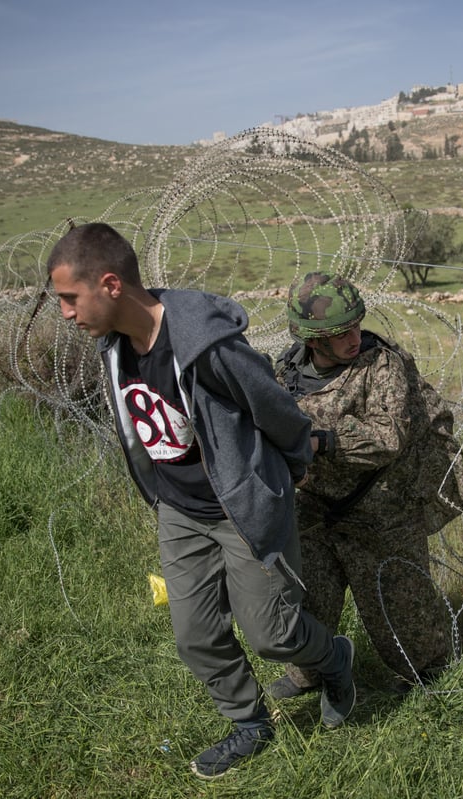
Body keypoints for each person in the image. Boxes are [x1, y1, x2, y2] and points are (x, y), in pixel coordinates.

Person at [45, 223, 355, 780]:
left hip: (244, 512)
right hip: (179, 510)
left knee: (272, 634)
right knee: (195, 636)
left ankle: (335, 658)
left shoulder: (205, 347)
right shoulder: (113, 347)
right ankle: (249, 723)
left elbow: (277, 410)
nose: (66, 312)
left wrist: (283, 475)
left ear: (110, 284)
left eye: (70, 297)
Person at [267, 272, 463, 697]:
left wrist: (323, 441)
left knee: (398, 602)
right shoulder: (286, 371)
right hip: (316, 503)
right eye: (341, 332)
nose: (354, 338)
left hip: (381, 507)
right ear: (313, 339)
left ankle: (428, 676)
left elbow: (389, 436)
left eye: (357, 325)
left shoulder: (381, 365)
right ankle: (310, 674)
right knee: (309, 596)